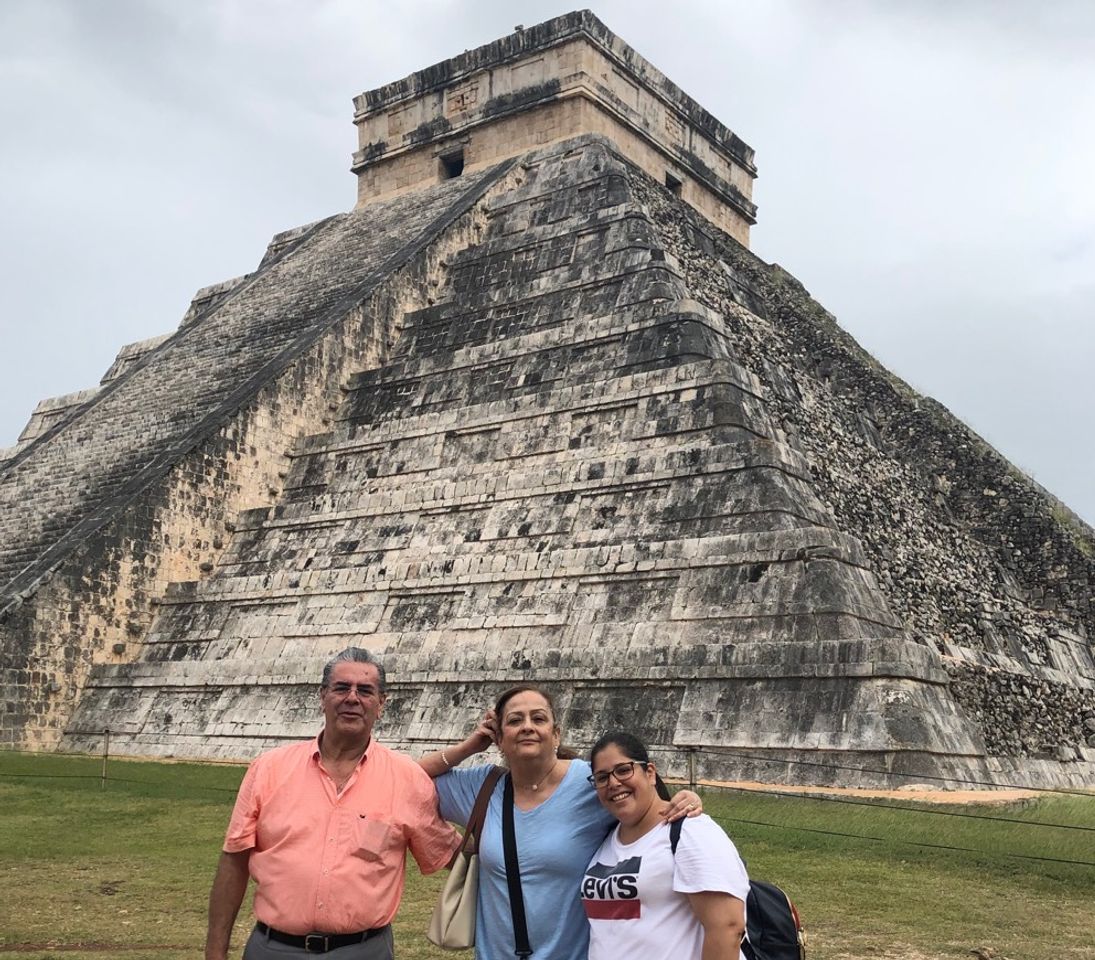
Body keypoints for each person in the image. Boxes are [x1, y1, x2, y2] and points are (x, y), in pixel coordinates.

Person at [205, 648, 461, 960]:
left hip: (363, 950)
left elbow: (454, 855)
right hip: (273, 948)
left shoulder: (407, 778)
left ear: (381, 704)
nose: (352, 698)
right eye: (341, 687)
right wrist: (215, 952)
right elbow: (234, 861)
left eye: (365, 690)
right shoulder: (269, 769)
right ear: (323, 695)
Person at [418, 684, 704, 960]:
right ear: (499, 738)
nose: (527, 726)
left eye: (538, 718)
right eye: (515, 720)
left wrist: (685, 800)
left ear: (556, 735)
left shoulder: (590, 782)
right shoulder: (482, 786)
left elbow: (646, 806)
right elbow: (404, 779)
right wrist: (470, 746)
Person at [581, 731, 749, 960]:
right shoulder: (606, 838)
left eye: (623, 770)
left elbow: (728, 927)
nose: (613, 782)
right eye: (602, 777)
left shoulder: (690, 831)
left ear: (650, 773)